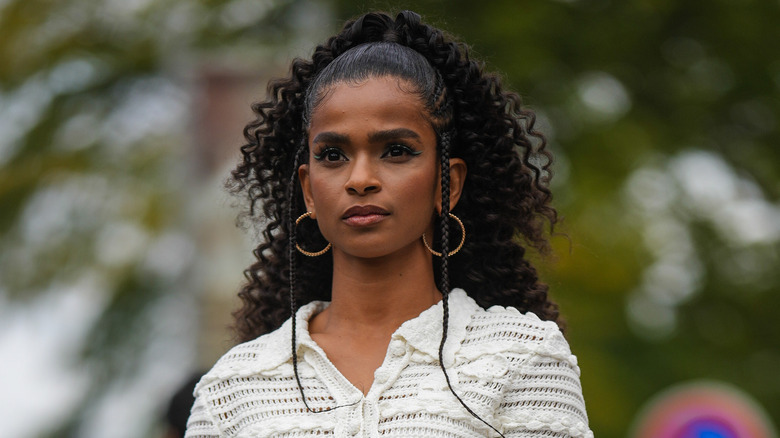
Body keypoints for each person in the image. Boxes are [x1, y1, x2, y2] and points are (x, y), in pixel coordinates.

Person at [185, 10, 592, 438]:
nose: (360, 179)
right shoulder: (231, 392)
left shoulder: (522, 360)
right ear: (308, 189)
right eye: (333, 155)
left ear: (447, 183)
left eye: (396, 150)